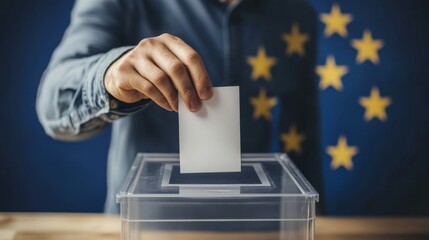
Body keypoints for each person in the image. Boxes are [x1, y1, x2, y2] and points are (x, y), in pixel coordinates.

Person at [36, 0, 321, 214]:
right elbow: (52, 106)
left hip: (256, 225)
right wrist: (110, 74)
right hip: (146, 225)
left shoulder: (297, 14)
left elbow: (302, 137)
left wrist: (315, 218)